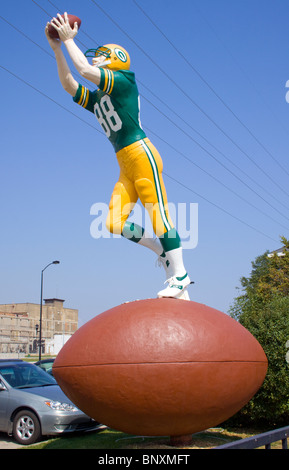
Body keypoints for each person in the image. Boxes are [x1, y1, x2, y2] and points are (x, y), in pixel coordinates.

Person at [45, 12, 191, 298]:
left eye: (100, 56)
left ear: (114, 59)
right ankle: (161, 251)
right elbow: (69, 84)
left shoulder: (124, 80)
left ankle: (181, 273)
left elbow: (85, 70)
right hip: (124, 162)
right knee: (113, 222)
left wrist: (70, 40)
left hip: (141, 153)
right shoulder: (100, 97)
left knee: (158, 216)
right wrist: (58, 49)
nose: (95, 59)